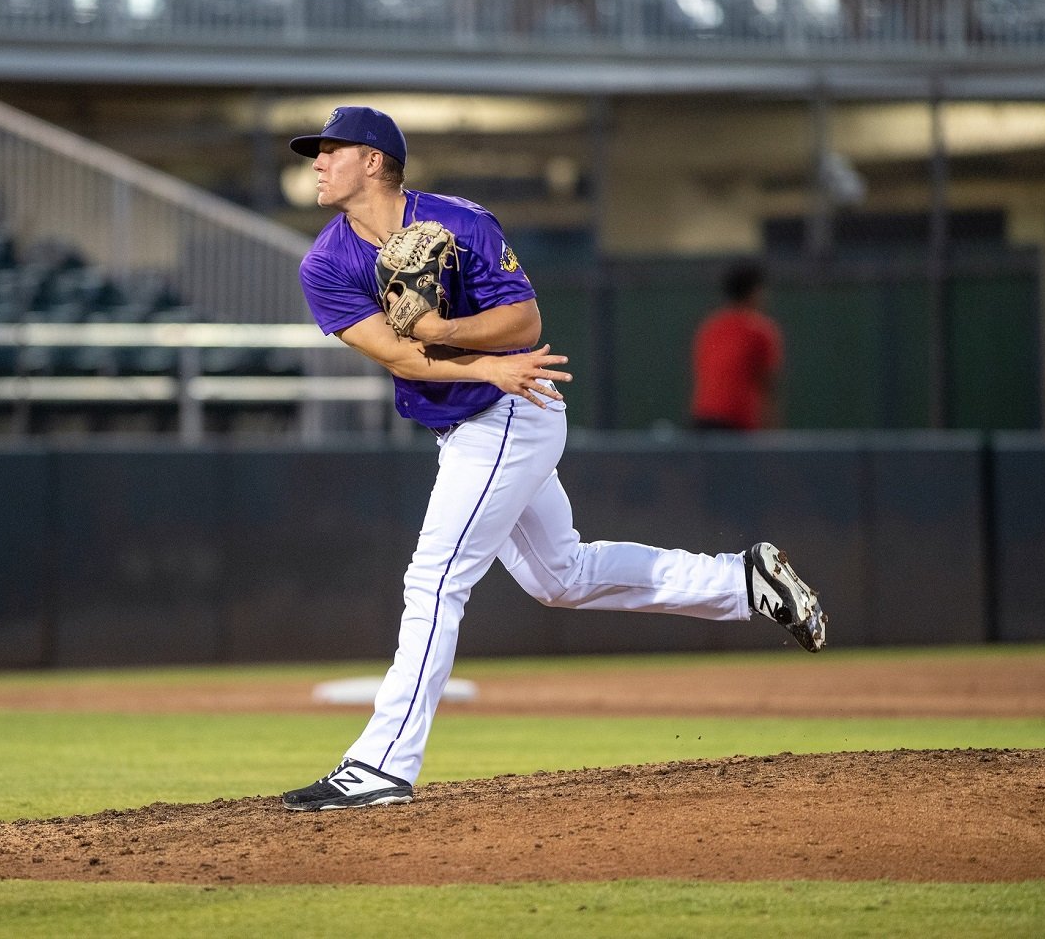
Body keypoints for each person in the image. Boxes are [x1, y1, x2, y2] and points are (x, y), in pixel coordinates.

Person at [279, 106, 827, 813]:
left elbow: (526, 322)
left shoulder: (463, 222)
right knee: (559, 575)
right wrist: (480, 366)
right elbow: (393, 351)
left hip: (514, 412)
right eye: (315, 153)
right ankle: (741, 580)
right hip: (475, 409)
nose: (317, 162)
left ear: (376, 161)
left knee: (434, 577)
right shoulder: (325, 261)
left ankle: (382, 763)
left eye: (331, 150)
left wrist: (449, 331)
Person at [690, 260, 784, 431]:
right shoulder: (761, 330)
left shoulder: (710, 326)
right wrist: (772, 438)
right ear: (755, 292)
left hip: (702, 421)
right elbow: (768, 387)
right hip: (737, 425)